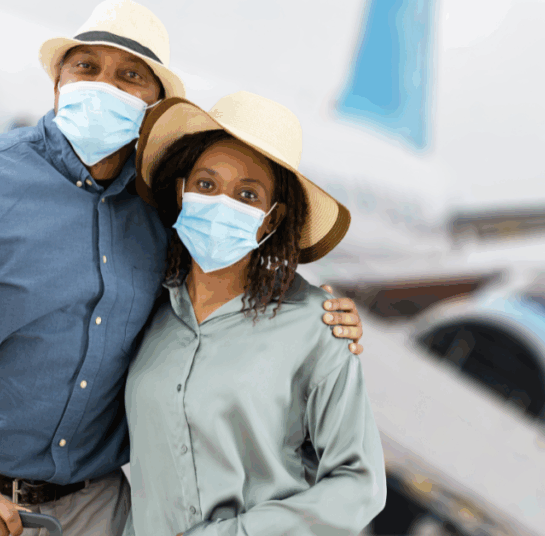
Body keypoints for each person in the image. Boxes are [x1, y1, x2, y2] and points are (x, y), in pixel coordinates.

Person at [0, 2, 365, 536]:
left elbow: (231, 269)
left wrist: (323, 310)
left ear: (153, 105)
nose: (103, 85)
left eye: (129, 75)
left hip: (98, 512)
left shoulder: (163, 217)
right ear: (57, 84)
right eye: (86, 67)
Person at [121, 92, 386, 536]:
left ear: (270, 219)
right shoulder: (148, 310)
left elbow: (360, 484)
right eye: (206, 184)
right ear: (182, 190)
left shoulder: (316, 325)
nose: (222, 202)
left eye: (247, 194)